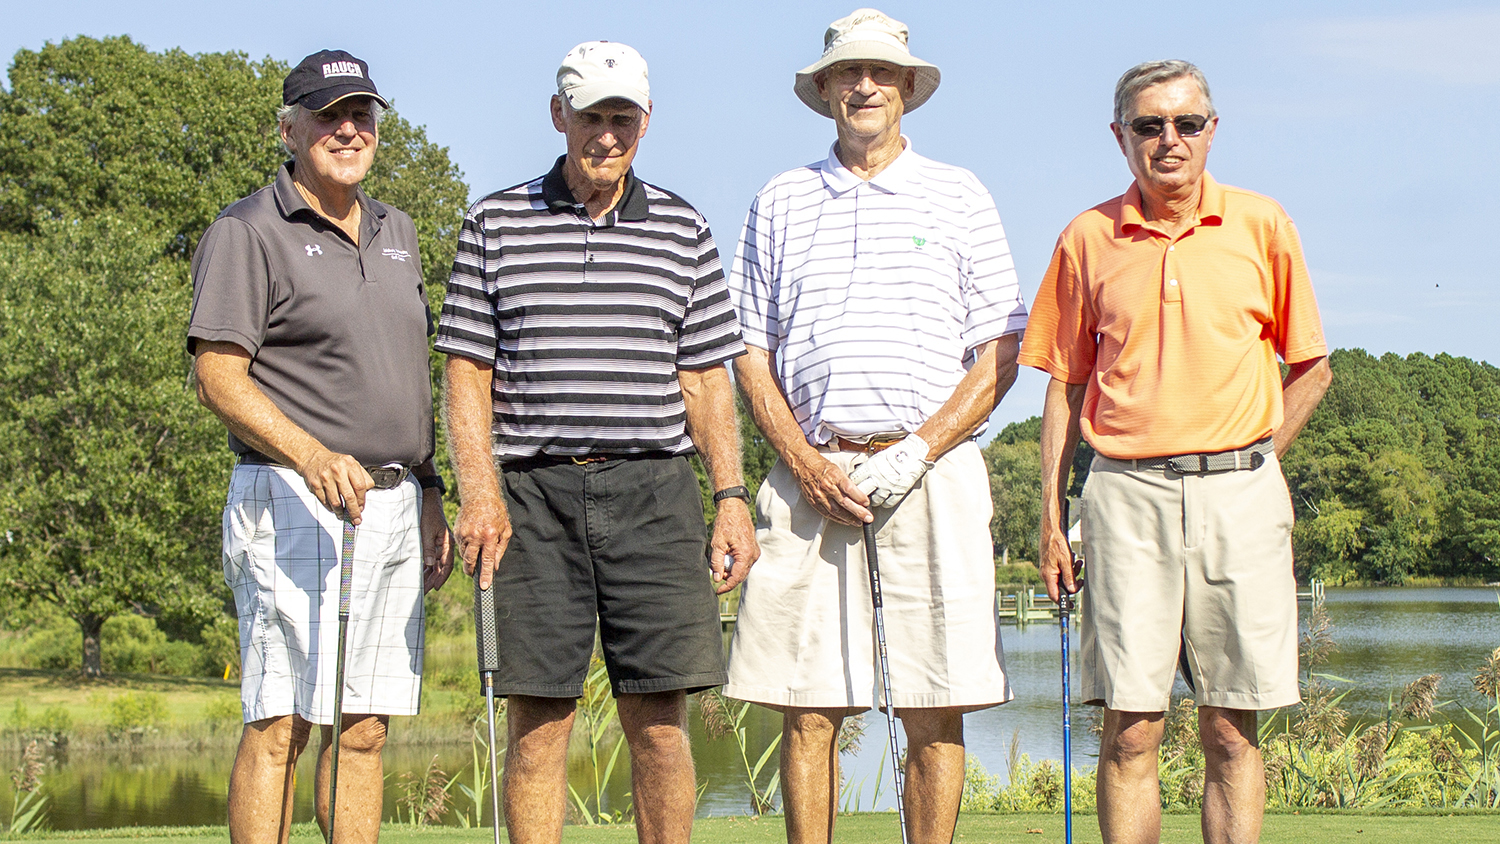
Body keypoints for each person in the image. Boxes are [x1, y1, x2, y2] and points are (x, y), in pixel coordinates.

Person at [436, 41, 759, 844]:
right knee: (540, 725)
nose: (607, 135)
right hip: (533, 498)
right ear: (559, 117)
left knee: (659, 722)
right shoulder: (496, 220)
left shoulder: (684, 226)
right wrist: (478, 492)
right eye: (591, 118)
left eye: (623, 118)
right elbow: (467, 372)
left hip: (655, 495)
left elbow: (708, 381)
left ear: (645, 124)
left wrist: (730, 498)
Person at [724, 9, 1029, 843]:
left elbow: (1002, 347)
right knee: (808, 706)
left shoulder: (959, 192)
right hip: (809, 474)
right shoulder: (780, 198)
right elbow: (750, 352)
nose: (864, 86)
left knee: (934, 703)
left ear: (906, 89)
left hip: (932, 474)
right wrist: (802, 460)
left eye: (881, 74)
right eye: (847, 74)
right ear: (823, 91)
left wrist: (918, 449)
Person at [1020, 59, 1333, 844]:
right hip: (1124, 495)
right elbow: (1063, 384)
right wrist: (1052, 518)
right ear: (1120, 135)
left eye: (1186, 123)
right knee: (1131, 729)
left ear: (1211, 130)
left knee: (1231, 729)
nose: (1169, 140)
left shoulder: (1263, 223)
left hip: (1240, 494)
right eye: (1149, 124)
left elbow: (1313, 368)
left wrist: (1259, 456)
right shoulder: (1086, 237)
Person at [188, 50, 454, 844]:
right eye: (328, 114)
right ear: (289, 128)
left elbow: (409, 379)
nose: (348, 129)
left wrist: (433, 491)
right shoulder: (247, 230)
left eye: (361, 114)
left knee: (365, 724)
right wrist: (310, 454)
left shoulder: (397, 229)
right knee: (282, 721)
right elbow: (218, 376)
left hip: (395, 502)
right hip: (291, 497)